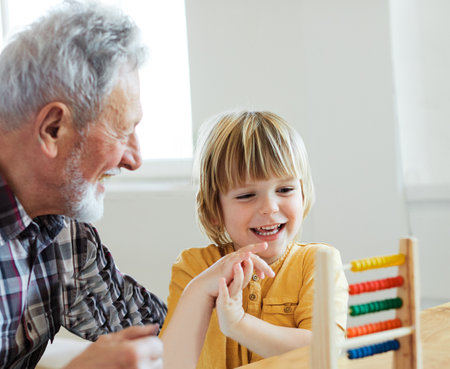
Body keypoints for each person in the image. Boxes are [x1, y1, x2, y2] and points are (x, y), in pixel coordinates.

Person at [0, 2, 274, 369]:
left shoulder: (65, 234)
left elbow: (156, 336)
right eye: (122, 130)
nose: (135, 159)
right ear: (53, 129)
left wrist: (203, 293)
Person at [160, 110, 349, 368]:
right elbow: (169, 364)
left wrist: (239, 325)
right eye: (247, 195)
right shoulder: (194, 268)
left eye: (285, 189)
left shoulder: (318, 263)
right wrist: (201, 290)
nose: (270, 207)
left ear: (303, 194)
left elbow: (323, 350)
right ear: (215, 209)